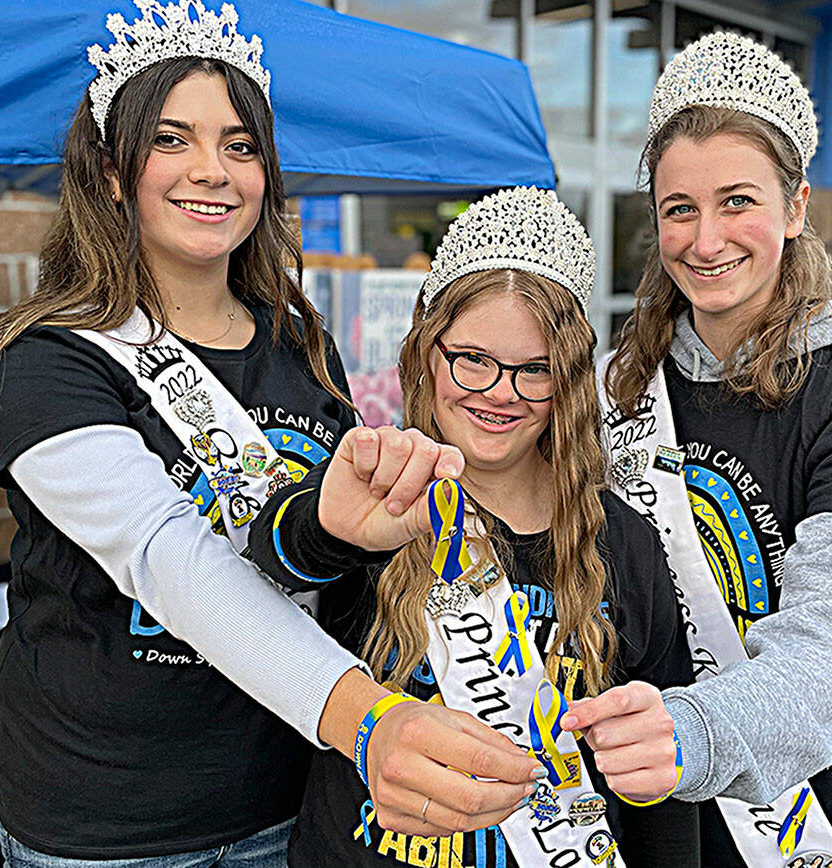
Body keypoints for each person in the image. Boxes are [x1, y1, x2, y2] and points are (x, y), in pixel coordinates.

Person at [0, 2, 539, 864]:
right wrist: (369, 721)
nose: (213, 171)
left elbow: (280, 551)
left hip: (288, 791)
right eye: (171, 140)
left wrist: (351, 529)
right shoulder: (48, 364)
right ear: (113, 173)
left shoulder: (300, 342)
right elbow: (170, 558)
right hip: (107, 819)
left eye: (240, 146)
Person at [248, 187, 701, 867]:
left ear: (569, 380)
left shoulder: (624, 543)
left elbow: (659, 776)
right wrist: (328, 525)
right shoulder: (379, 504)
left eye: (534, 371)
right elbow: (275, 555)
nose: (500, 392)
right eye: (473, 359)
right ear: (430, 354)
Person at [570, 31, 832, 867]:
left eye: (738, 201)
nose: (705, 238)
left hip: (802, 800)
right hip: (642, 780)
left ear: (795, 208)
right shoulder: (620, 379)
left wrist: (699, 730)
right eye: (678, 208)